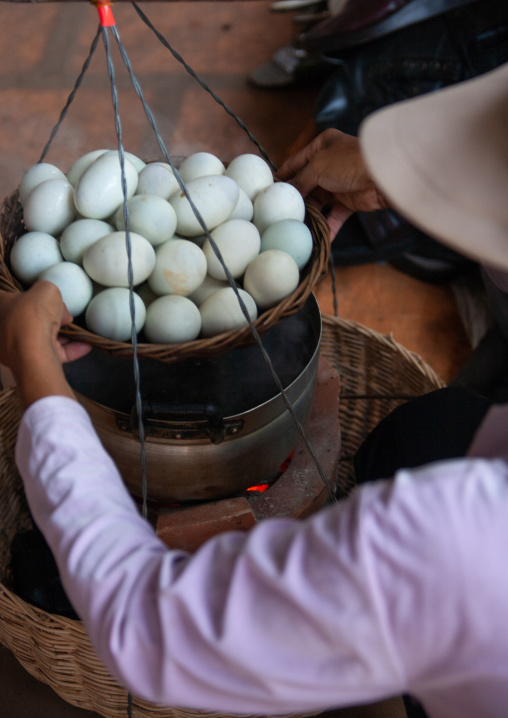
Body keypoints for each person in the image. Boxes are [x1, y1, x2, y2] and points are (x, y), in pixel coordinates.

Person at [5, 63, 508, 718]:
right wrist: (399, 173)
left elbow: (148, 629)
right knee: (427, 432)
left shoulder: (452, 539)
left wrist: (38, 378)